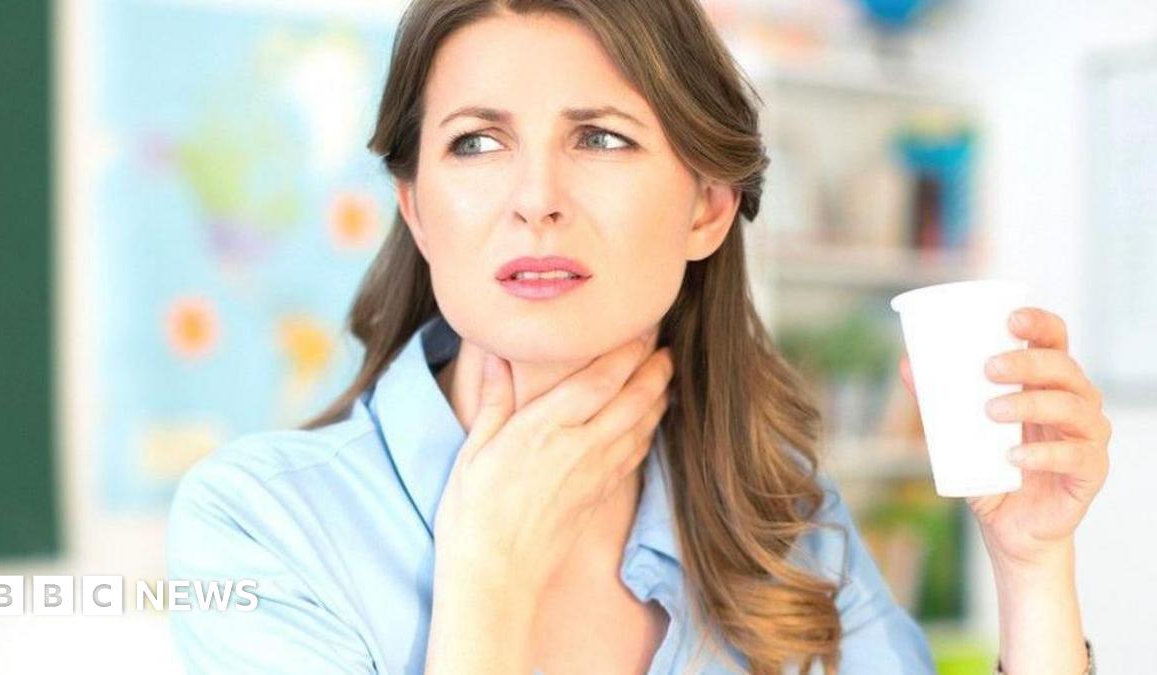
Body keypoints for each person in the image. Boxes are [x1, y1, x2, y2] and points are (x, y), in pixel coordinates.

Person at [166, 1, 1111, 673]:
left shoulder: (786, 528)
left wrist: (1031, 570)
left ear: (707, 206)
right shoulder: (262, 526)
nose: (535, 199)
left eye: (602, 138)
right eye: (476, 143)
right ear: (416, 209)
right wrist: (488, 577)